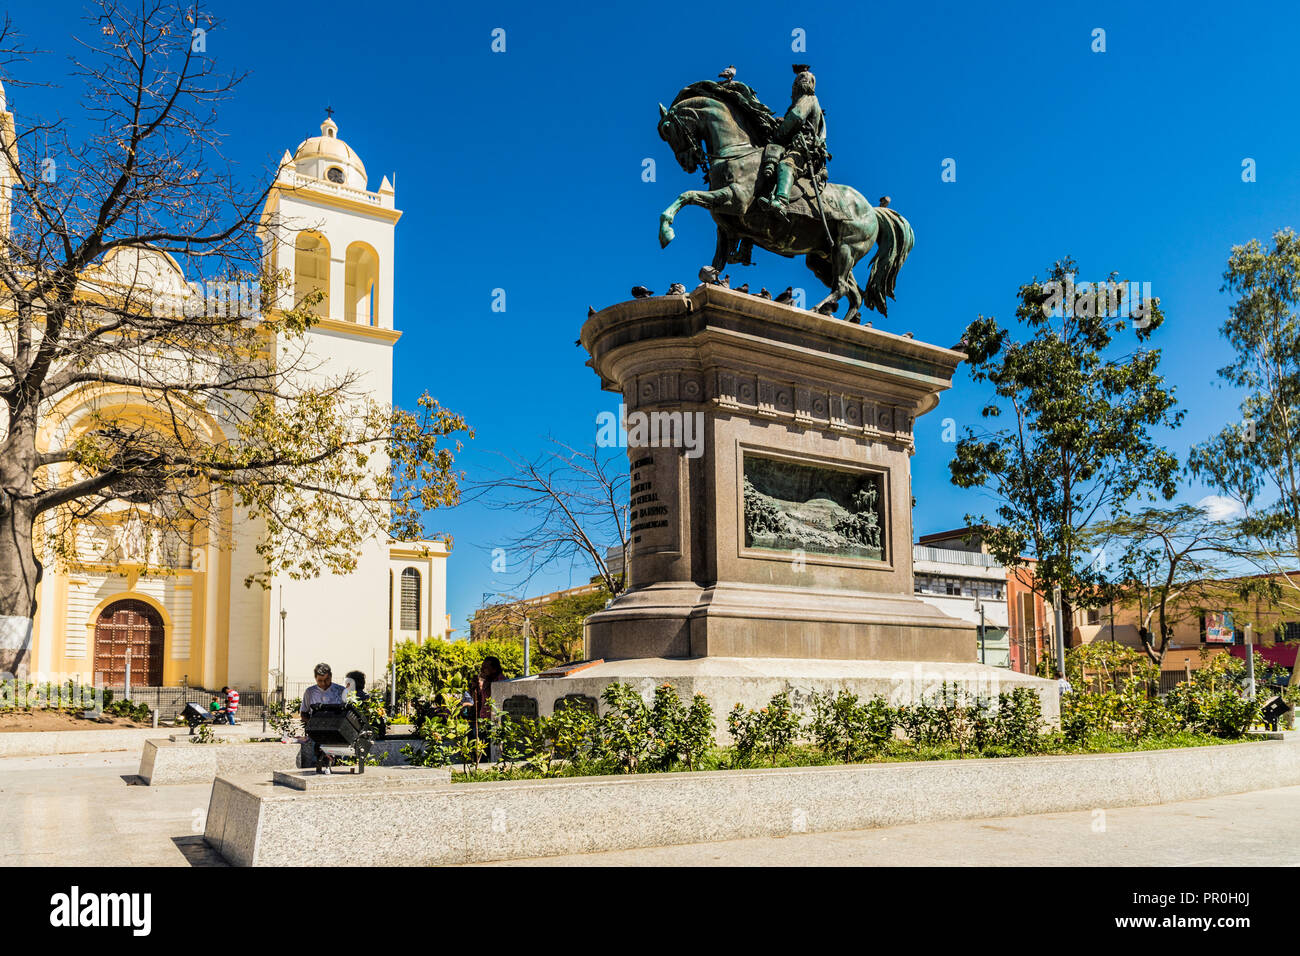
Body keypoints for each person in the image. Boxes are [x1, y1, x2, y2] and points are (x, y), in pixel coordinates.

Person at [758, 64, 829, 222]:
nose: (797, 85)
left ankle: (781, 202)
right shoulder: (801, 101)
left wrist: (779, 132)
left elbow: (796, 117)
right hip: (793, 144)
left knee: (786, 165)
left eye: (800, 81)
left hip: (804, 148)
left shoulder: (809, 99)